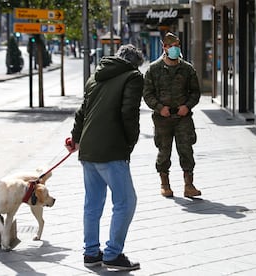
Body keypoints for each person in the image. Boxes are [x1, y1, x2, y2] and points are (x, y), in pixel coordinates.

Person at [66, 44, 144, 271]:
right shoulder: (133, 77)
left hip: (88, 149)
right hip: (111, 149)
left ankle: (91, 253)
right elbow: (129, 113)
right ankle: (113, 253)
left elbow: (82, 111)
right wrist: (130, 142)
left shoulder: (95, 76)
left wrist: (76, 138)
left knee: (92, 203)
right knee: (126, 202)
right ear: (134, 63)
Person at [143, 32, 201, 198]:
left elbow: (195, 92)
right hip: (163, 119)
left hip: (183, 117)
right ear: (165, 47)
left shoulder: (187, 69)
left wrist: (187, 106)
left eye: (177, 45)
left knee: (186, 150)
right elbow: (147, 94)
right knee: (164, 151)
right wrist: (159, 107)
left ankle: (189, 185)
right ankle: (165, 184)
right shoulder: (154, 69)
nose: (175, 49)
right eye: (171, 46)